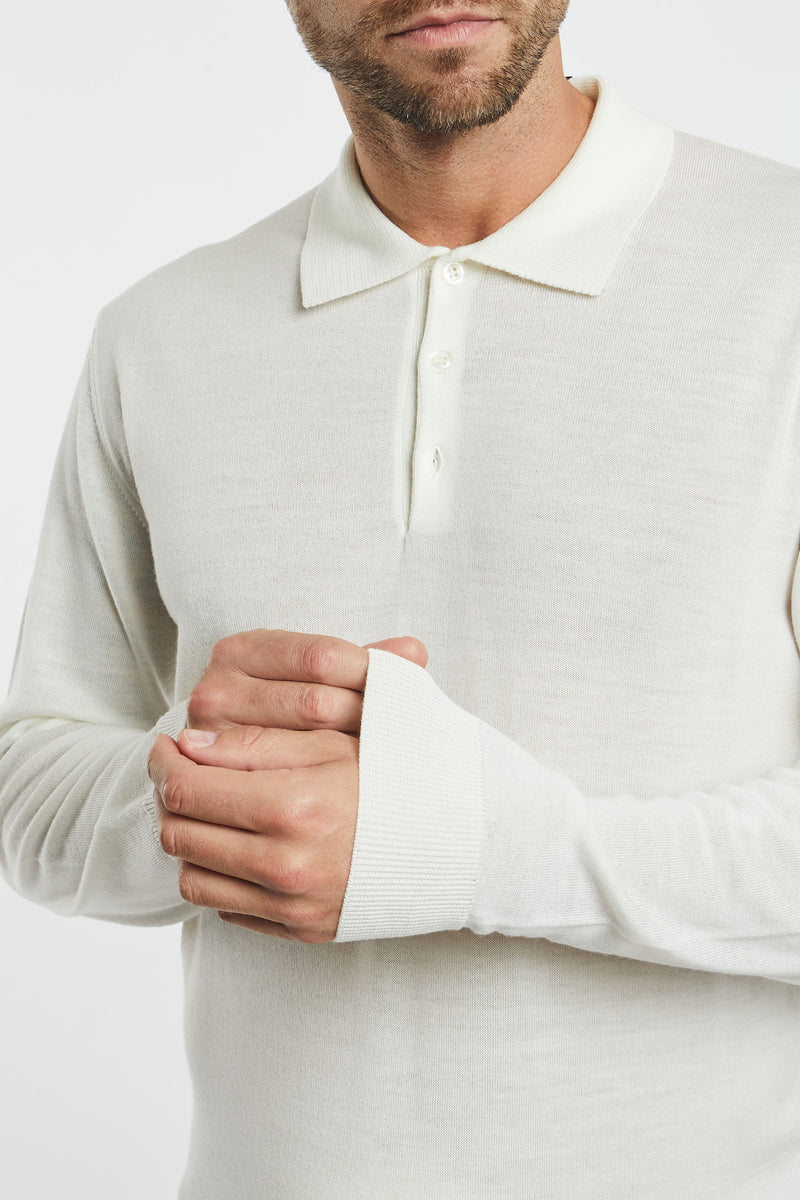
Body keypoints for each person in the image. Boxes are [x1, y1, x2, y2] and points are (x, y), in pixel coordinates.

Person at [2, 0, 800, 1195]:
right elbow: (33, 786)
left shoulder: (779, 271)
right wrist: (211, 782)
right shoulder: (158, 334)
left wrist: (454, 847)